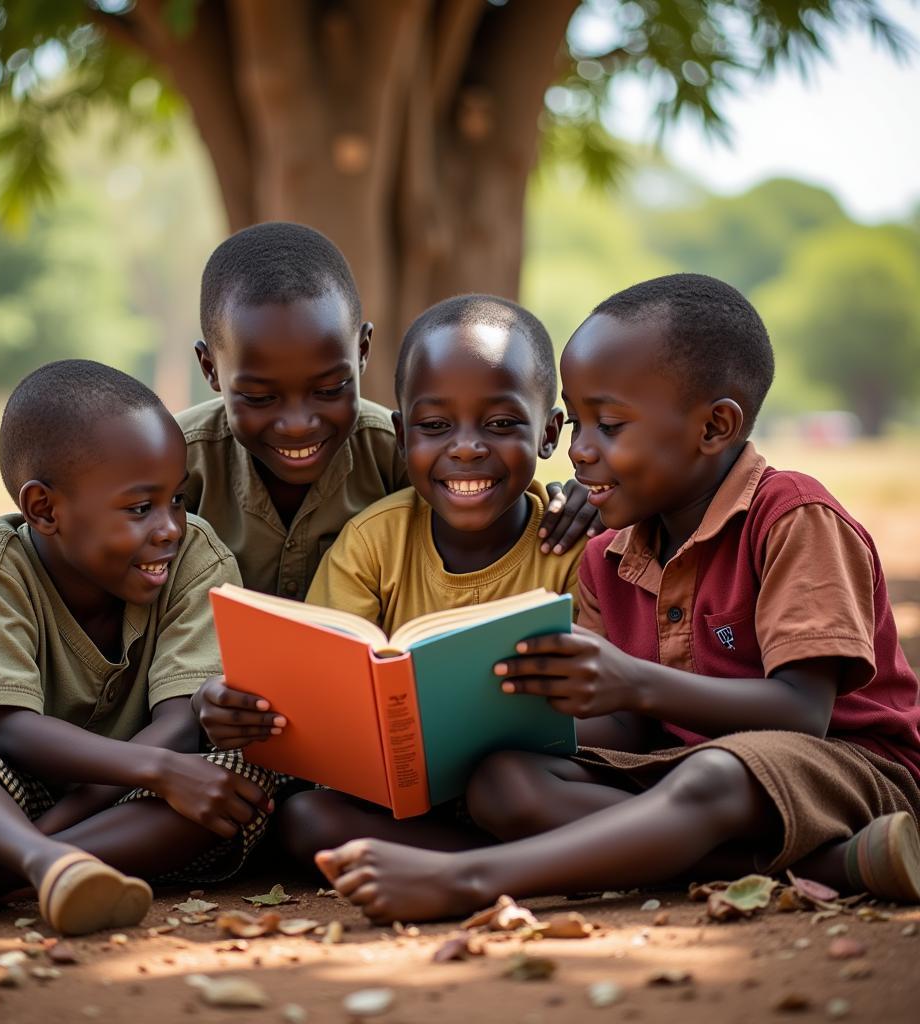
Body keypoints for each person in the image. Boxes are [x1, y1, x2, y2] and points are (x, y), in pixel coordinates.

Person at [312, 273, 920, 923]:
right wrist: (483, 719)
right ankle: (829, 865)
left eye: (608, 424)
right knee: (506, 782)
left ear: (714, 426)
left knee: (717, 774)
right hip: (679, 766)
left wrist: (633, 682)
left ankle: (470, 879)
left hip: (849, 769)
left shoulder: (789, 516)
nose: (578, 451)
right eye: (576, 422)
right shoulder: (608, 557)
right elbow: (626, 730)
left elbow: (802, 713)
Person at [180, 222, 599, 749]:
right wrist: (197, 696)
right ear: (210, 369)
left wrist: (577, 493)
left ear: (362, 351)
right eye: (261, 398)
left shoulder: (399, 452)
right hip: (219, 716)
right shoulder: (173, 466)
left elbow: (486, 484)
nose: (298, 424)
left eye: (329, 389)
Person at [0, 361, 276, 935]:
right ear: (45, 509)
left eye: (177, 498)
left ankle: (1, 873)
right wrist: (160, 773)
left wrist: (157, 777)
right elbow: (7, 728)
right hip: (18, 790)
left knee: (239, 768)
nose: (171, 526)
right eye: (140, 507)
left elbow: (178, 723)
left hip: (138, 802)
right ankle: (45, 860)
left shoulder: (197, 558)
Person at [276, 294, 588, 858]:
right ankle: (507, 859)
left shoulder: (573, 544)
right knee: (306, 820)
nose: (466, 447)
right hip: (406, 801)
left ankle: (481, 860)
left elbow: (610, 713)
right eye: (436, 425)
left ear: (549, 432)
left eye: (500, 423)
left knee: (513, 788)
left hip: (531, 778)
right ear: (403, 434)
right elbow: (323, 698)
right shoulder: (373, 542)